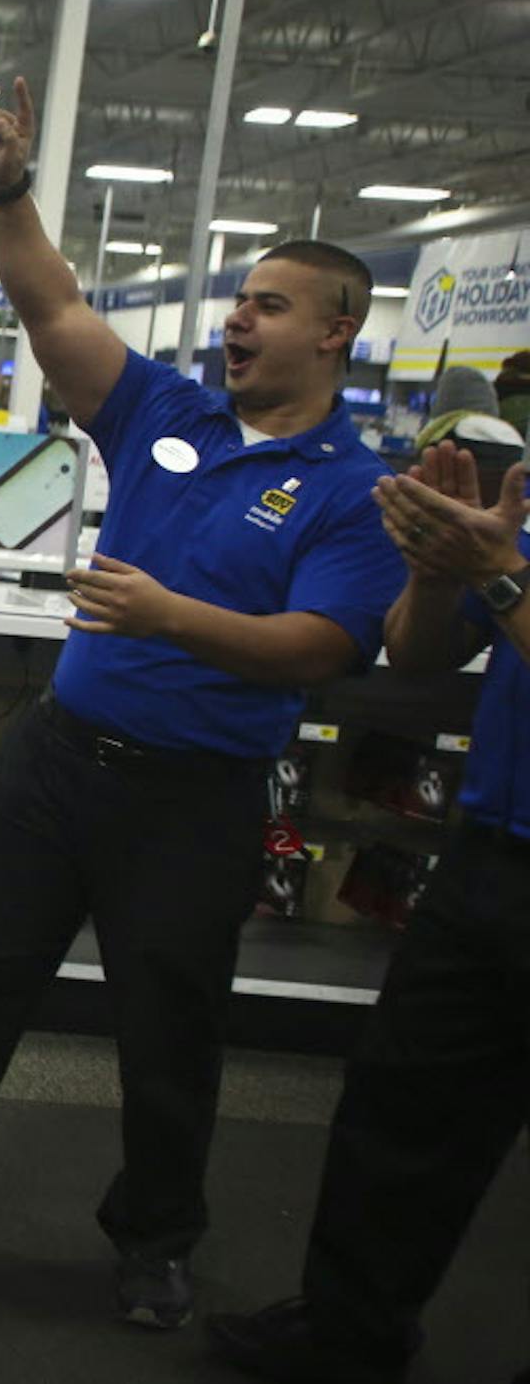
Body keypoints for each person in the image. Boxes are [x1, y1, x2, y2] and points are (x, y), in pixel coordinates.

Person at [0, 75, 408, 1331]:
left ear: (337, 332)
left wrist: (166, 614)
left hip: (196, 793)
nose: (238, 321)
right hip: (61, 760)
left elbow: (320, 647)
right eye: (237, 302)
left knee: (168, 1025)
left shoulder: (354, 487)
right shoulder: (168, 413)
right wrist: (9, 189)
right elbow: (52, 303)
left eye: (268, 306)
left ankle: (156, 1239)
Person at [207, 438, 530, 1384]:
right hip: (495, 852)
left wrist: (503, 579)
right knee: (405, 1107)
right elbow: (423, 650)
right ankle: (349, 1332)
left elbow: (506, 596)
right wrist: (438, 575)